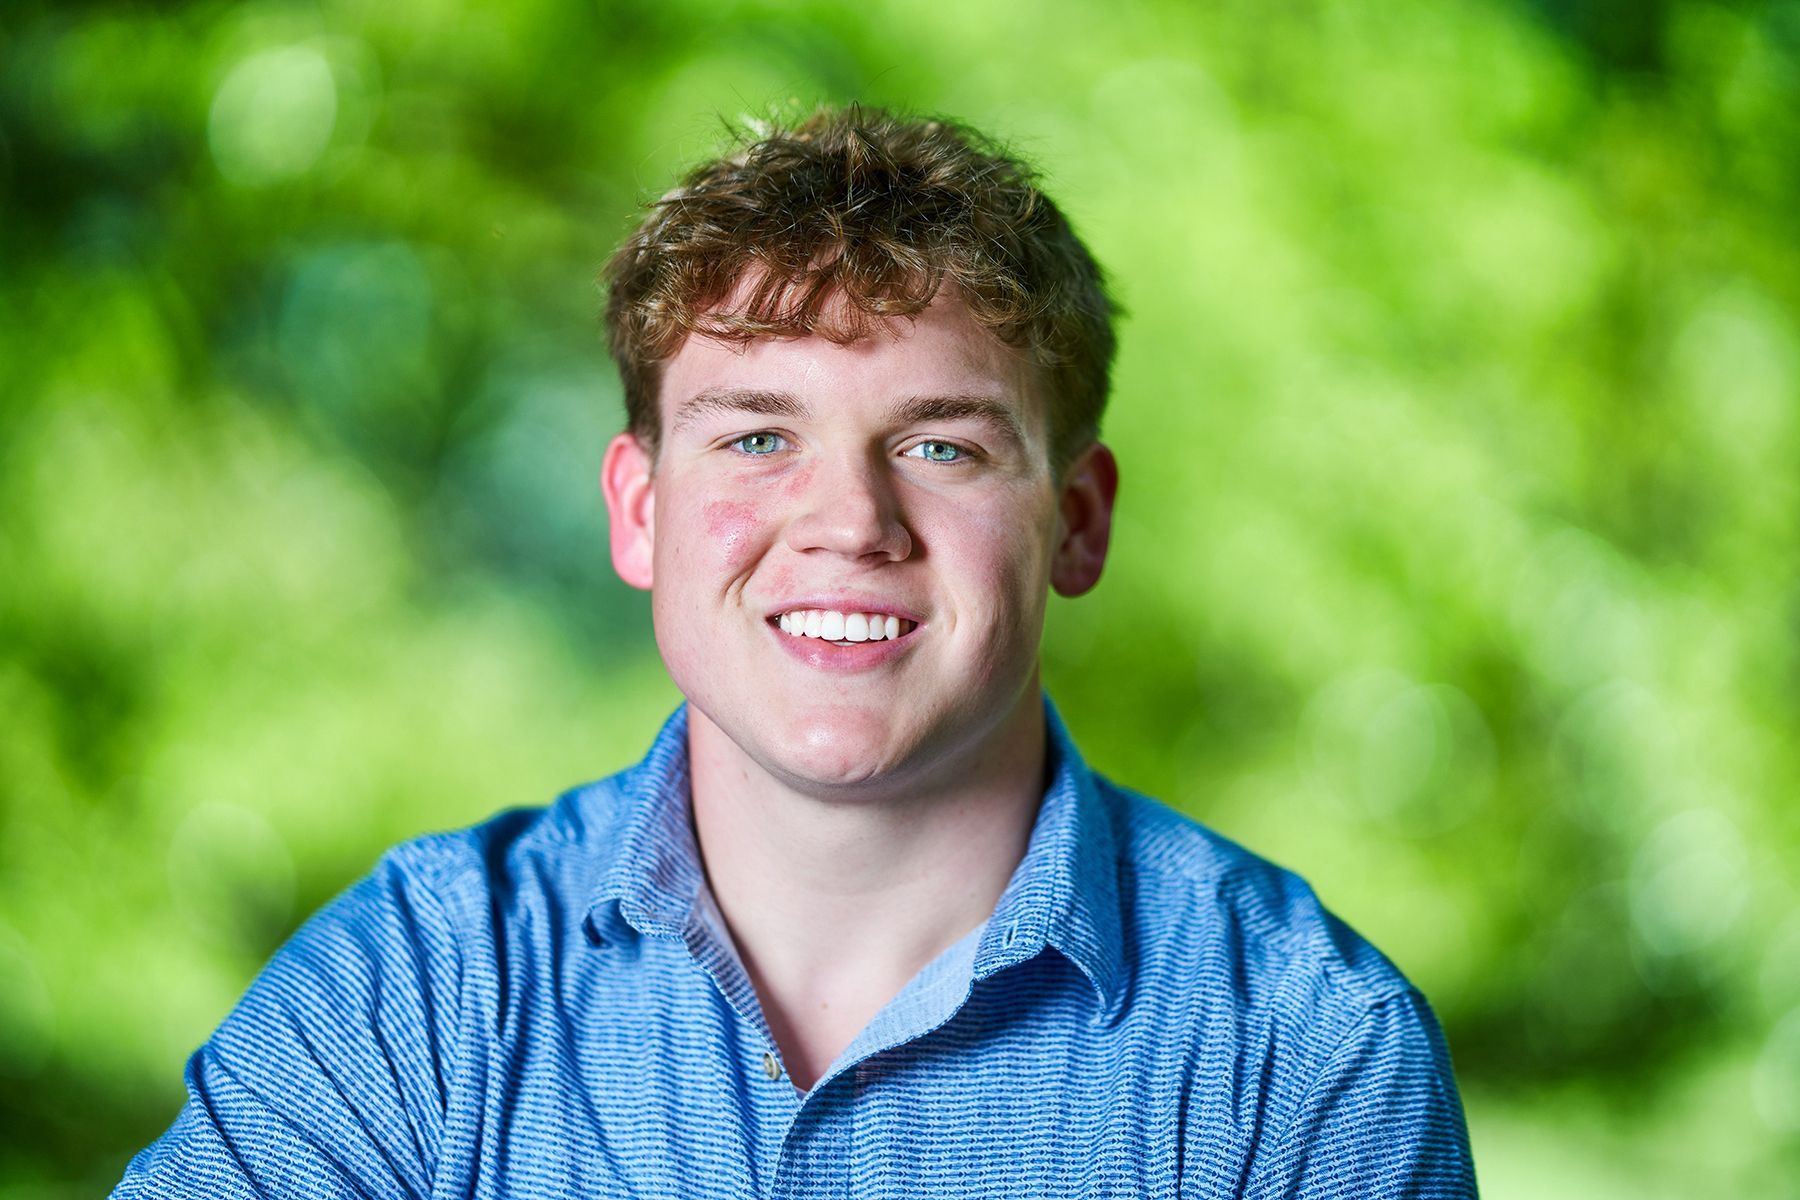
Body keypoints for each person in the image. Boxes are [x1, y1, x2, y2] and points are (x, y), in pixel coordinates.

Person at [113, 105, 1477, 1197]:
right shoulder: (411, 994)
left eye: (940, 445)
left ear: (1077, 519)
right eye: (758, 436)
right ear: (640, 511)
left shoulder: (1306, 1058)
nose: (849, 524)